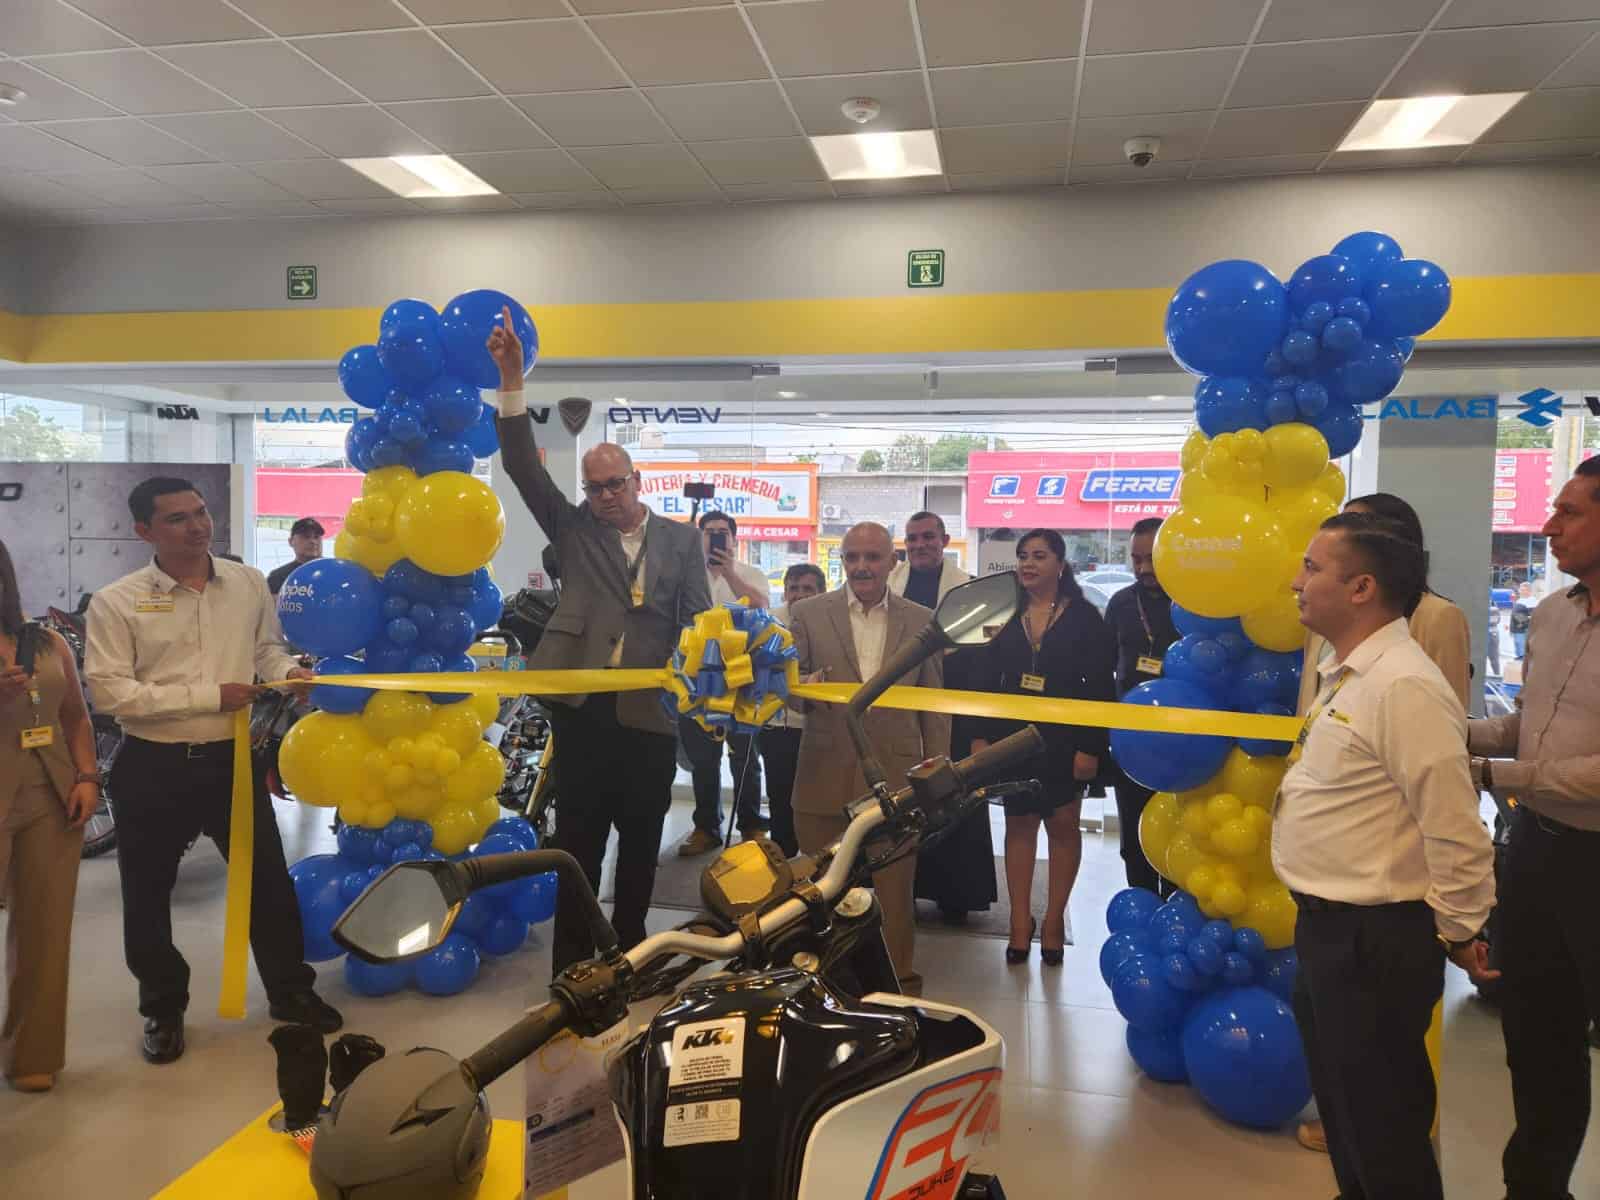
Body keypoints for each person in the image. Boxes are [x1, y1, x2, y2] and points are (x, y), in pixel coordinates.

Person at [1276, 511, 1496, 1200]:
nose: (1297, 581)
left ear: (1362, 587)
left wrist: (1459, 930)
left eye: (1313, 569)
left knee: (1384, 1131)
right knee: (1347, 1122)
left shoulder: (1404, 684)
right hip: (1328, 929)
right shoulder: (1351, 673)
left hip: (1375, 940)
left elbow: (1456, 827)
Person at [486, 311, 710, 974]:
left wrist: (704, 683)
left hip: (648, 714)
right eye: (595, 486)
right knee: (577, 845)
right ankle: (572, 964)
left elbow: (697, 620)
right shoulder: (574, 527)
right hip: (579, 709)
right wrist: (510, 381)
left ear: (638, 481)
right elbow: (523, 464)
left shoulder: (683, 541)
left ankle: (633, 953)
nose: (606, 496)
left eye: (616, 484)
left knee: (642, 844)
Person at [83, 478, 336, 1066]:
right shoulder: (117, 601)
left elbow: (265, 650)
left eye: (200, 513)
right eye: (177, 519)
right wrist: (207, 696)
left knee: (267, 880)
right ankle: (162, 1008)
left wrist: (290, 671)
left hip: (231, 761)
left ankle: (290, 992)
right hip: (153, 765)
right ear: (143, 531)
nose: (197, 527)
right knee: (147, 894)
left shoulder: (245, 582)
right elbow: (111, 691)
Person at [1468, 456, 1600, 1200]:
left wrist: (1498, 776)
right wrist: (1457, 736)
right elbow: (1534, 728)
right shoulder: (1550, 614)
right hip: (1536, 856)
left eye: (1571, 512)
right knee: (1538, 1040)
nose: (1548, 526)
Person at [788, 522, 950, 995]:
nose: (862, 566)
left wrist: (939, 773)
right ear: (841, 560)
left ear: (891, 561)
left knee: (896, 897)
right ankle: (819, 985)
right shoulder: (808, 613)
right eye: (852, 557)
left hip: (896, 780)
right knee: (818, 892)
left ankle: (898, 988)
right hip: (822, 774)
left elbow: (933, 705)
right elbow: (789, 695)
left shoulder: (923, 618)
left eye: (873, 557)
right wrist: (801, 690)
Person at [972, 530, 1114, 965]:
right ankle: (1019, 921)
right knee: (1019, 826)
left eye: (1038, 555)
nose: (1028, 563)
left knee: (1064, 826)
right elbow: (983, 679)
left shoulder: (1086, 617)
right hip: (1013, 738)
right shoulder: (1002, 613)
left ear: (1060, 564)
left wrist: (1090, 746)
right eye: (1022, 556)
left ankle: (1053, 921)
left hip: (1066, 738)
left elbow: (1100, 687)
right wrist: (980, 735)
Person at [1, 539, 99, 1093]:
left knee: (44, 929)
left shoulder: (47, 641)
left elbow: (76, 717)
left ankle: (31, 1050)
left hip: (50, 796)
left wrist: (87, 776)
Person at [1297, 493, 1471, 714]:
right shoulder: (1322, 620)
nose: (1344, 531)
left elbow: (1450, 711)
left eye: (1358, 524)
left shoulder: (1438, 617)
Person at [677, 510, 769, 856]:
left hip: (741, 680)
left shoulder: (749, 575)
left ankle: (752, 825)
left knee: (746, 756)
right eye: (709, 532)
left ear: (734, 539)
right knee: (703, 759)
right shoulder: (686, 576)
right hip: (695, 682)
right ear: (699, 537)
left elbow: (762, 610)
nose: (716, 537)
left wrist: (730, 573)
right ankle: (706, 828)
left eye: (722, 533)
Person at [1104, 516, 1177, 894]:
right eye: (1136, 559)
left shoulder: (1197, 603)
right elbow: (1102, 669)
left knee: (1180, 840)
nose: (1143, 568)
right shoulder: (1120, 603)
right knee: (1134, 841)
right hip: (1131, 744)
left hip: (1185, 744)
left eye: (1152, 558)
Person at [912, 639, 999, 925]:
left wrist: (981, 731)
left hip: (966, 709)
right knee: (914, 799)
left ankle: (959, 894)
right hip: (915, 697)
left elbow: (987, 669)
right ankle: (909, 888)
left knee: (961, 800)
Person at [758, 563, 826, 858]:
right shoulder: (768, 622)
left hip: (819, 726)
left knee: (818, 798)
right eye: (793, 588)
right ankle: (782, 858)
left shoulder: (829, 622)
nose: (798, 595)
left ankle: (821, 864)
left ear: (822, 592)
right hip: (777, 725)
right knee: (779, 795)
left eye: (807, 589)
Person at [888, 511, 970, 610]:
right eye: (912, 539)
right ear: (906, 543)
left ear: (945, 541)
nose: (919, 545)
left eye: (928, 537)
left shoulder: (968, 586)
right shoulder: (886, 581)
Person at [265, 518, 325, 596]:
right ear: (291, 541)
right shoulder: (277, 577)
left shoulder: (333, 572)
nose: (313, 541)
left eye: (316, 537)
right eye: (306, 537)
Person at [1510, 580, 1536, 659]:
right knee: (1519, 652)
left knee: (1522, 654)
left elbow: (1532, 617)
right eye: (1520, 589)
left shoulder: (1532, 602)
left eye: (1523, 590)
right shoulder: (1520, 600)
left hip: (1523, 631)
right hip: (1517, 631)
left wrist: (1522, 623)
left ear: (1529, 591)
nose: (1521, 591)